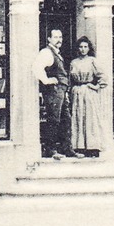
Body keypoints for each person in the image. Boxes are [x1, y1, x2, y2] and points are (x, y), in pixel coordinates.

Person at [33, 29, 79, 159]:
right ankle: (51, 149)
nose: (58, 40)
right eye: (55, 37)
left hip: (61, 92)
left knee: (66, 119)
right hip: (53, 91)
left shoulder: (57, 53)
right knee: (54, 119)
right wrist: (47, 80)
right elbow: (37, 67)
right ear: (49, 39)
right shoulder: (47, 52)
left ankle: (67, 149)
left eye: (60, 37)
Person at [69, 37, 110, 158]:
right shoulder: (74, 62)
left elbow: (103, 78)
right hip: (76, 93)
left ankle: (92, 147)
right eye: (81, 47)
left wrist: (95, 86)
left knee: (90, 118)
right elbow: (70, 79)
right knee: (78, 118)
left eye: (85, 47)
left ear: (89, 48)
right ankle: (79, 146)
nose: (83, 49)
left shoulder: (93, 61)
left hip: (89, 93)